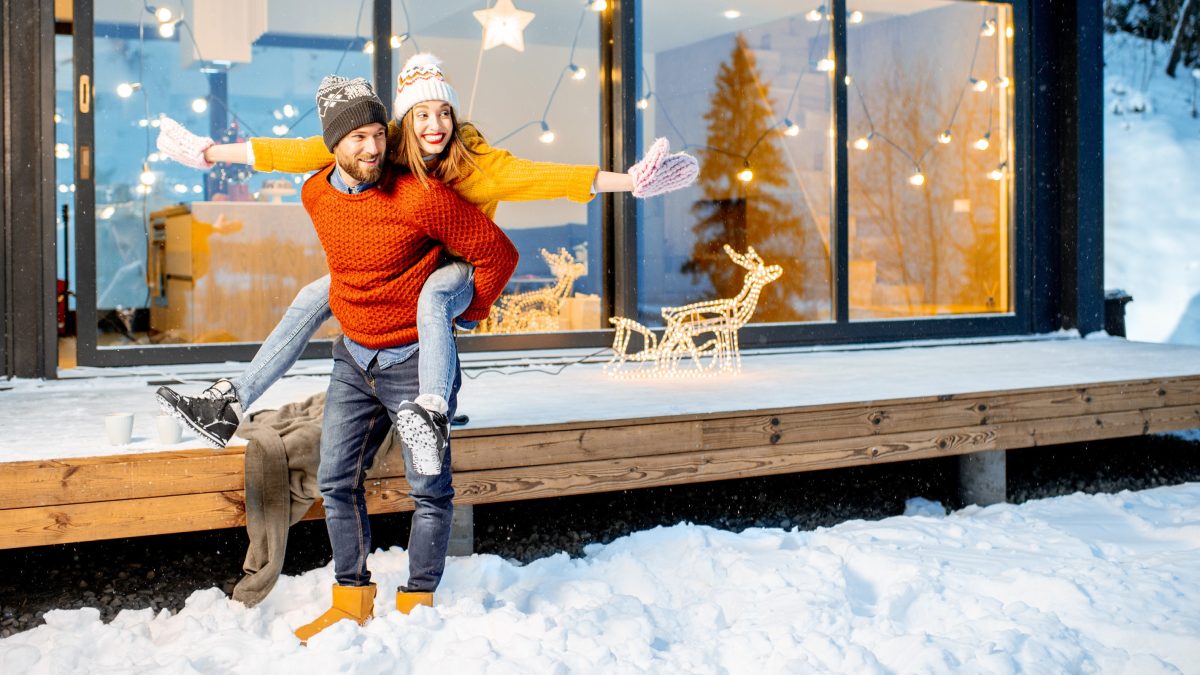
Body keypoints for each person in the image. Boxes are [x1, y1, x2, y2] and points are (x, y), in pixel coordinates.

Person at [155, 53, 698, 465]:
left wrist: (629, 182)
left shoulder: (478, 164)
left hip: (457, 266)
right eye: (422, 114)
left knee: (435, 295)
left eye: (444, 112)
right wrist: (210, 152)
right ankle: (228, 402)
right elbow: (297, 150)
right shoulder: (384, 144)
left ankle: (433, 411)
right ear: (404, 120)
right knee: (312, 294)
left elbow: (550, 176)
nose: (434, 124)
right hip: (403, 263)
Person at [266, 74, 513, 641]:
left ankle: (418, 598)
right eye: (358, 137)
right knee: (335, 480)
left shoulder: (420, 195)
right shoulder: (316, 194)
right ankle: (351, 598)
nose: (373, 147)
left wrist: (467, 313)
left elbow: (497, 252)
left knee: (428, 488)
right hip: (353, 359)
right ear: (334, 144)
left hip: (414, 360)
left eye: (379, 134)